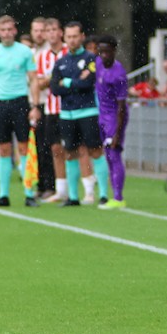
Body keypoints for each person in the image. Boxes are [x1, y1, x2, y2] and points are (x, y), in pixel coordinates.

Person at [0, 14, 39, 207]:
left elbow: (33, 80)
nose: (6, 33)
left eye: (9, 29)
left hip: (20, 102)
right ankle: (3, 195)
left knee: (24, 147)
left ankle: (29, 193)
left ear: (14, 30)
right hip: (0, 104)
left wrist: (35, 106)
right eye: (3, 30)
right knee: (3, 148)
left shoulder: (25, 52)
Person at [50, 23, 110, 207]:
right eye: (69, 37)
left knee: (95, 150)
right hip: (67, 114)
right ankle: (73, 196)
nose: (72, 40)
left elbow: (89, 84)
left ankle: (104, 195)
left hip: (88, 112)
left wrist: (67, 82)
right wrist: (75, 82)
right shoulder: (61, 62)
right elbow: (54, 88)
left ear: (82, 36)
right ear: (65, 38)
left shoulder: (92, 59)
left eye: (75, 36)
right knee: (70, 153)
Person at [33, 18, 67, 202]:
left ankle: (87, 187)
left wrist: (52, 80)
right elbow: (38, 82)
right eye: (49, 30)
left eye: (55, 29)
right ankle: (58, 188)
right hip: (51, 107)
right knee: (53, 147)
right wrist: (52, 80)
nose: (51, 33)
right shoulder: (42, 57)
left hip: (70, 106)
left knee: (78, 148)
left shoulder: (69, 52)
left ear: (60, 32)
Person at [94, 34, 129, 209]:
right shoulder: (97, 63)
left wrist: (117, 132)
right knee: (107, 155)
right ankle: (113, 194)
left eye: (107, 52)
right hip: (102, 116)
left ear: (114, 51)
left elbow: (122, 107)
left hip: (114, 118)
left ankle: (118, 197)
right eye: (101, 52)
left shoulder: (119, 74)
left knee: (114, 155)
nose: (104, 55)